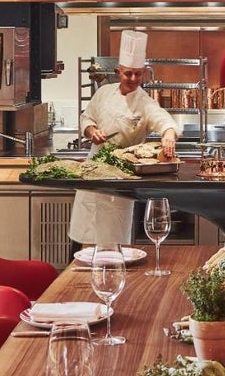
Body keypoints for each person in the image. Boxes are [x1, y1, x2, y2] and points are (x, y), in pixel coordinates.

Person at [68, 31, 178, 249]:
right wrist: (91, 131)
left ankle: (112, 275)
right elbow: (86, 117)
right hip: (93, 171)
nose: (134, 79)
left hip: (121, 175)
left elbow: (161, 118)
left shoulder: (144, 101)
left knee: (114, 238)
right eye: (129, 74)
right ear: (118, 71)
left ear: (144, 73)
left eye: (138, 74)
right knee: (86, 240)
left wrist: (168, 134)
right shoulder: (103, 93)